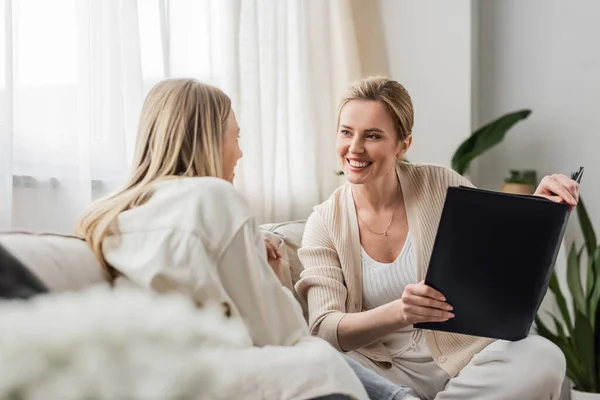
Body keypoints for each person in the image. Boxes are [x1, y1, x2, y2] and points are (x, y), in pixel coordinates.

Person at [75, 78, 372, 400]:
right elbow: (282, 335)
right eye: (236, 137)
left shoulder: (105, 214)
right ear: (210, 140)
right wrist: (277, 286)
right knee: (322, 361)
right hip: (217, 378)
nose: (240, 152)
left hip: (156, 374)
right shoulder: (213, 196)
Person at [295, 76, 578, 400]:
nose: (354, 148)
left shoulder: (439, 184)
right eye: (346, 132)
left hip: (460, 359)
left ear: (403, 145)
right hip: (381, 372)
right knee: (325, 365)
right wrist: (401, 312)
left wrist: (536, 211)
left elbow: (498, 252)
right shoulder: (324, 222)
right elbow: (324, 329)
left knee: (544, 358)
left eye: (372, 135)